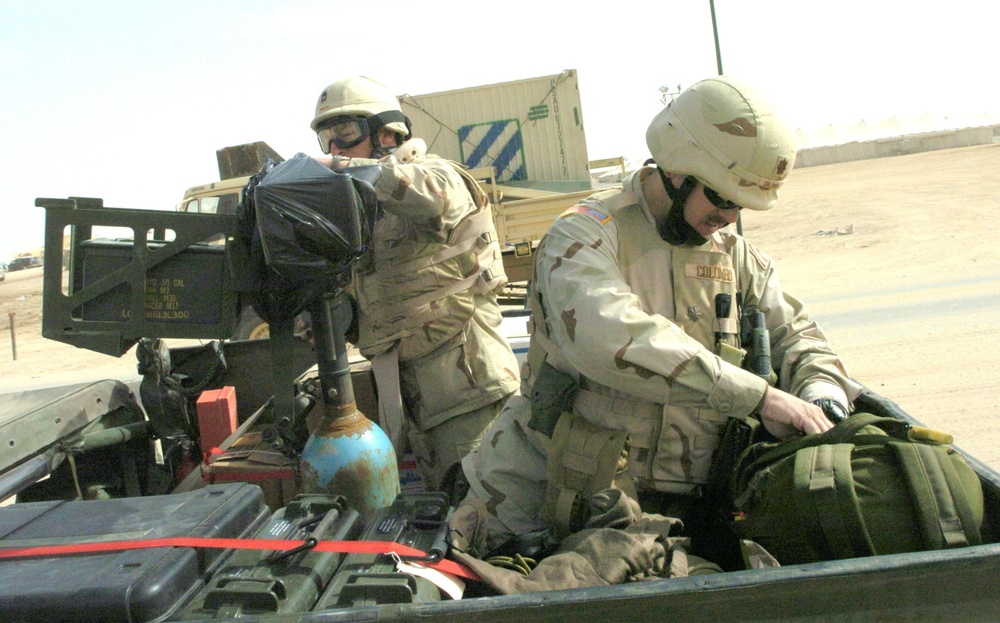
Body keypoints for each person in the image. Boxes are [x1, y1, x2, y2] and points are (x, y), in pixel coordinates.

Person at [455, 76, 862, 556]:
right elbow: (610, 333)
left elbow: (797, 335)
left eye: (742, 206)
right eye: (722, 198)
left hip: (682, 513)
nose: (729, 217)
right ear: (675, 169)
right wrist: (761, 398)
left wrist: (821, 392)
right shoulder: (584, 235)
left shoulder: (733, 258)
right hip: (551, 504)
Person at [309, 76, 520, 492]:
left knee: (492, 517)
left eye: (346, 134)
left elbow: (429, 194)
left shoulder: (437, 175)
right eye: (326, 140)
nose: (336, 149)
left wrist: (344, 170)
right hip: (417, 406)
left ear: (387, 133)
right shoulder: (367, 215)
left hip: (470, 395)